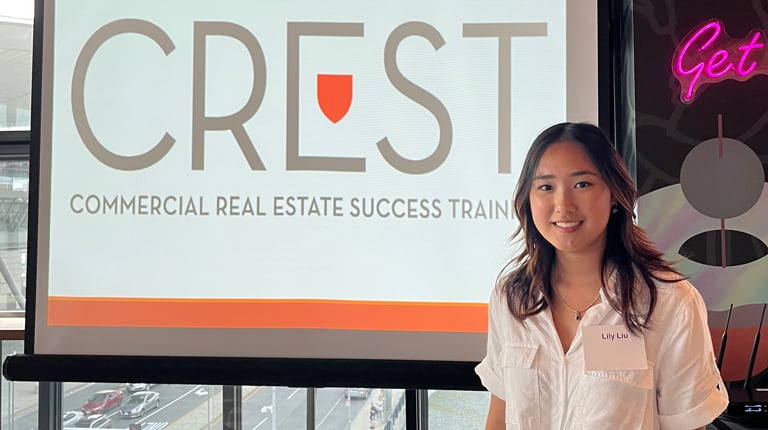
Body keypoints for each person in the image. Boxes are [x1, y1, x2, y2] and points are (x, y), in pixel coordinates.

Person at [475, 122, 728, 430]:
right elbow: (499, 417)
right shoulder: (512, 298)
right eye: (545, 187)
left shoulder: (670, 302)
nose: (563, 205)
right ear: (528, 199)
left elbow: (687, 425)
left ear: (613, 195)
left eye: (582, 184)